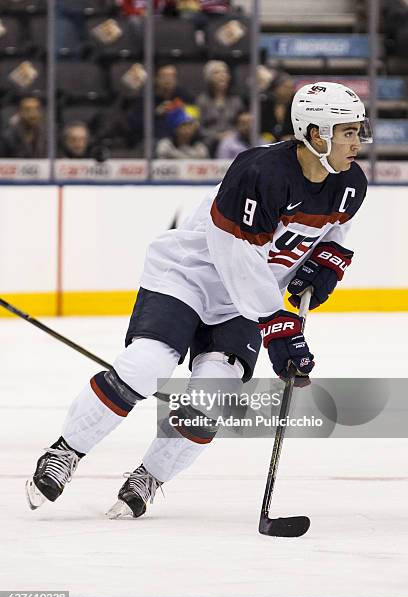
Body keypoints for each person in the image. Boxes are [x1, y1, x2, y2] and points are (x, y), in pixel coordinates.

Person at [26, 82, 372, 519]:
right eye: (348, 132)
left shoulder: (351, 184)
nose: (358, 142)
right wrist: (279, 329)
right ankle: (66, 451)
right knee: (147, 364)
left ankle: (149, 476)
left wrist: (326, 264)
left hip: (248, 298)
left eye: (359, 131)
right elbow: (237, 257)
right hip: (189, 277)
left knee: (213, 395)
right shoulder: (259, 172)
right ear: (316, 133)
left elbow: (335, 232)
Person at [196, 60, 244, 156]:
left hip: (233, 141)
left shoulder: (236, 100)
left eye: (225, 72)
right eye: (217, 73)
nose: (222, 75)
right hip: (209, 142)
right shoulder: (201, 100)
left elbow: (241, 124)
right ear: (208, 77)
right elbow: (198, 127)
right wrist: (216, 136)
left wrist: (232, 134)